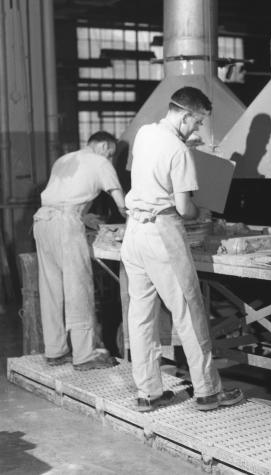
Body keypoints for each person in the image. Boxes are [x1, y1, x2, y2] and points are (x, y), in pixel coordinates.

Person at [120, 86, 244, 412]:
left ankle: (148, 393)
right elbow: (184, 207)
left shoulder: (146, 134)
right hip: (162, 232)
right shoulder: (179, 151)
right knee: (188, 311)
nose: (197, 129)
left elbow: (153, 169)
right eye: (198, 122)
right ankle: (207, 392)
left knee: (142, 314)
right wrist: (201, 210)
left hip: (134, 232)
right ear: (186, 114)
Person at [34, 131, 125, 370]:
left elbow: (62, 198)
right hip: (65, 225)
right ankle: (84, 355)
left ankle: (55, 350)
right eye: (111, 153)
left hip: (43, 222)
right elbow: (121, 204)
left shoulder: (64, 160)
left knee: (50, 287)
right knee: (78, 287)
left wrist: (84, 217)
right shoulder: (100, 161)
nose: (111, 158)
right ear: (104, 146)